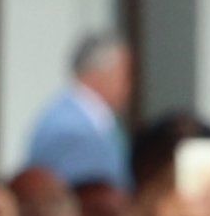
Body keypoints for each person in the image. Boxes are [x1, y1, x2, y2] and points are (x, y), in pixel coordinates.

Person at [24, 32, 135, 191]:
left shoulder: (88, 119)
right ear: (99, 73)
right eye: (125, 75)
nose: (128, 86)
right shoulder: (71, 127)